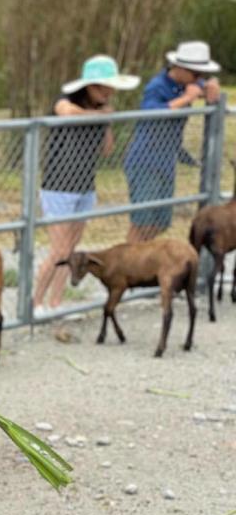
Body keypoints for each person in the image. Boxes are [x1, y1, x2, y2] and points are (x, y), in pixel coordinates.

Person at [33, 55, 139, 315]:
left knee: (70, 250)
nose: (107, 92)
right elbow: (65, 113)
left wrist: (106, 121)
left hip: (85, 186)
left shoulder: (102, 110)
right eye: (101, 87)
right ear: (88, 86)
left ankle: (56, 302)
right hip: (58, 187)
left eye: (109, 87)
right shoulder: (67, 101)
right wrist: (97, 114)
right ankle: (34, 303)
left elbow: (106, 150)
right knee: (58, 249)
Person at [123, 41, 221, 243]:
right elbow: (149, 112)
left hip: (166, 163)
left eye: (202, 75)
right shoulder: (157, 86)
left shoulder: (188, 84)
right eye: (196, 74)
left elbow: (204, 88)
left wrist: (211, 86)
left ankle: (141, 258)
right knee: (142, 222)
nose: (199, 79)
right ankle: (130, 266)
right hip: (145, 162)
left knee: (160, 222)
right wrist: (185, 99)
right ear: (180, 68)